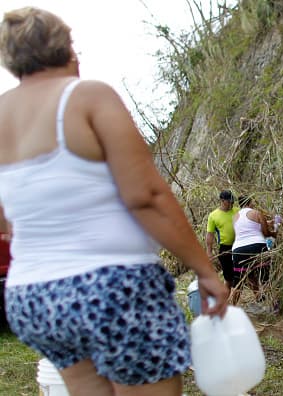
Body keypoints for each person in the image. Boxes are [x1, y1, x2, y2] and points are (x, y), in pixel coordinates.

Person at [0, 7, 228, 396]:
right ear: (67, 50)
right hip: (113, 288)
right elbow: (146, 196)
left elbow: (6, 223)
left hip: (33, 297)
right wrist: (204, 270)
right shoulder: (88, 96)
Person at [231, 195, 276, 306]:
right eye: (252, 202)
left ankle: (231, 309)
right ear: (249, 202)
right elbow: (266, 233)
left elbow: (246, 227)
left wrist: (266, 222)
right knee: (265, 276)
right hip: (257, 246)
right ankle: (273, 306)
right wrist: (274, 233)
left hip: (238, 250)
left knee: (238, 281)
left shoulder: (234, 217)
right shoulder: (256, 213)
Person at [206, 190, 239, 289]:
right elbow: (210, 234)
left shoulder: (237, 211)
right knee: (229, 279)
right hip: (225, 249)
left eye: (232, 201)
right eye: (229, 201)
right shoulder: (213, 215)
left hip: (239, 245)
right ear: (222, 201)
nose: (231, 203)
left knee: (241, 275)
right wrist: (209, 251)